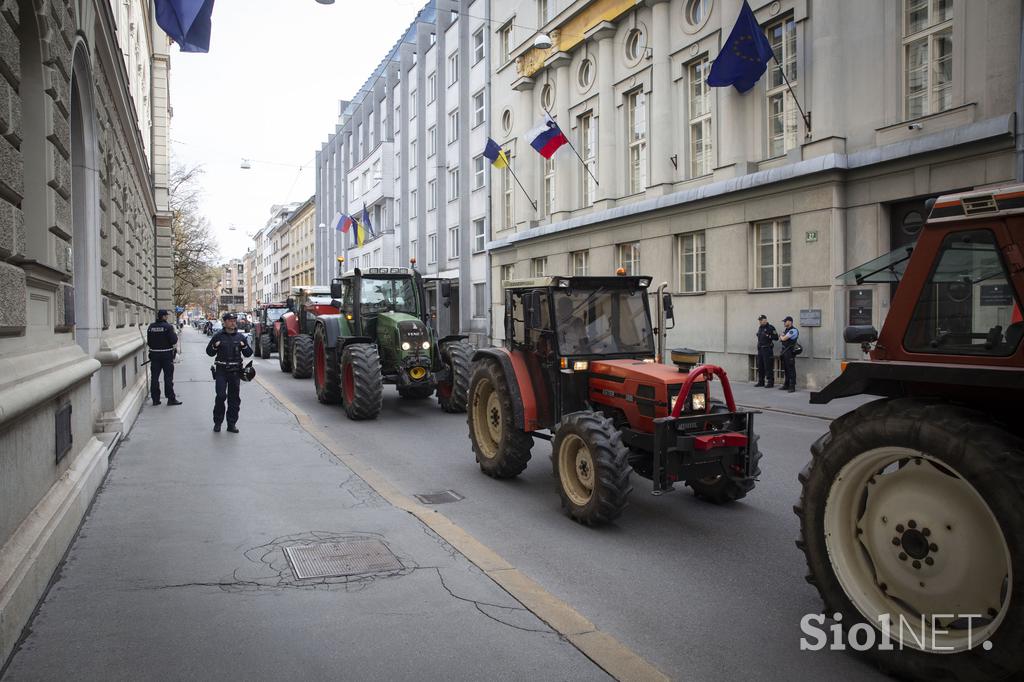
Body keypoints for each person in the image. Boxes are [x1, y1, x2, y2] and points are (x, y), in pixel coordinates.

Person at [206, 312, 253, 433]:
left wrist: (244, 347)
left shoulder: (240, 337)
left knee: (234, 399)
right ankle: (217, 422)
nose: (233, 322)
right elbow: (209, 352)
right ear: (225, 322)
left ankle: (231, 424)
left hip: (235, 372)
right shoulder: (218, 336)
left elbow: (248, 353)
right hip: (221, 370)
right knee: (221, 396)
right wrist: (215, 347)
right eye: (231, 320)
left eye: (234, 320)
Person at [146, 309, 181, 406]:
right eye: (167, 315)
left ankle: (155, 399)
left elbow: (149, 342)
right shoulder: (168, 327)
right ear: (164, 316)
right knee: (168, 378)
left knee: (154, 378)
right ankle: (171, 399)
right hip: (166, 355)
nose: (167, 317)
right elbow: (174, 340)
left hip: (154, 354)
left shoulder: (151, 327)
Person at [754, 314, 778, 388]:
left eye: (761, 320)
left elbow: (776, 337)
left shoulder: (770, 328)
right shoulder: (760, 328)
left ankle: (770, 382)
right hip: (760, 349)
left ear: (765, 320)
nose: (760, 322)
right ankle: (761, 381)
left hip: (767, 349)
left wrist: (769, 336)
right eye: (759, 320)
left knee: (768, 366)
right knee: (760, 366)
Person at [779, 315, 800, 392]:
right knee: (786, 369)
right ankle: (786, 384)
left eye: (785, 321)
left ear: (790, 322)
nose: (784, 323)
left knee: (791, 370)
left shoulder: (793, 330)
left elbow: (783, 338)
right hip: (785, 352)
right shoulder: (786, 330)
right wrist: (781, 336)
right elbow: (780, 338)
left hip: (790, 352)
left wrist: (782, 336)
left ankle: (792, 386)